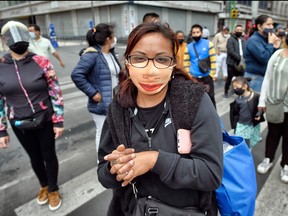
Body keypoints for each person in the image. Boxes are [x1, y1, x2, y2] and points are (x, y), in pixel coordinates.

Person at [97, 22, 223, 216]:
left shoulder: (193, 100)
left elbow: (211, 174)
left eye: (161, 60)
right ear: (127, 63)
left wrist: (154, 160)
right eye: (139, 59)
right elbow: (103, 174)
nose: (150, 71)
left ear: (173, 63)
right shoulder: (118, 107)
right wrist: (114, 168)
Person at [0, 20, 64, 211]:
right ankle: (44, 185)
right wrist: (2, 130)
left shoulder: (41, 62)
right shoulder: (1, 66)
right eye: (10, 35)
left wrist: (58, 120)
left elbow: (55, 91)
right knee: (34, 157)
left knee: (48, 155)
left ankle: (53, 189)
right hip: (19, 122)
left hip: (44, 118)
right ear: (4, 40)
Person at [71, 23, 121, 153]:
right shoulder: (92, 55)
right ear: (108, 39)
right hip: (101, 104)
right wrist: (92, 93)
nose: (115, 38)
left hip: (115, 102)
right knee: (102, 133)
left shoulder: (110, 54)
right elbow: (77, 75)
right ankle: (102, 162)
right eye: (113, 35)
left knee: (115, 133)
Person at [256, 38, 288, 183]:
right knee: (273, 133)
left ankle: (286, 165)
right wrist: (262, 101)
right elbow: (267, 78)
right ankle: (268, 158)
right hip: (275, 103)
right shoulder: (278, 54)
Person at [244, 14, 281, 93]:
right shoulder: (254, 40)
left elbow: (272, 58)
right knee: (255, 104)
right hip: (255, 78)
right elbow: (264, 58)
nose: (271, 27)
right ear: (259, 26)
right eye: (268, 24)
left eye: (272, 24)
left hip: (263, 77)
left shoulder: (265, 38)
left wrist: (275, 47)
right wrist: (270, 43)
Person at [184, 24, 217, 108]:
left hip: (207, 77)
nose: (195, 34)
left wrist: (211, 75)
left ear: (201, 33)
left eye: (197, 32)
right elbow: (186, 62)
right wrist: (189, 75)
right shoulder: (188, 47)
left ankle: (214, 118)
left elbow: (213, 60)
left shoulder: (209, 44)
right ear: (191, 34)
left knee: (210, 98)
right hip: (194, 78)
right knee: (194, 100)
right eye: (194, 32)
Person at [229, 76, 264, 150]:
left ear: (245, 86)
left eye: (236, 87)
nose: (235, 89)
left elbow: (260, 106)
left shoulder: (255, 96)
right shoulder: (238, 99)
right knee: (240, 140)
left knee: (250, 141)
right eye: (234, 87)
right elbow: (235, 113)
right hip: (241, 124)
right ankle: (243, 152)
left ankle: (248, 152)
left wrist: (259, 114)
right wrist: (234, 125)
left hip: (251, 124)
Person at [224, 24, 246, 98]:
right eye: (237, 30)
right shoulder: (231, 39)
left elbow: (245, 50)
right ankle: (226, 91)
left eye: (240, 30)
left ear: (243, 31)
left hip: (241, 63)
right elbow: (230, 51)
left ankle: (240, 92)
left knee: (240, 79)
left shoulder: (243, 40)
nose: (239, 31)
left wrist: (244, 58)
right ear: (234, 31)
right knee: (229, 78)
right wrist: (239, 57)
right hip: (232, 62)